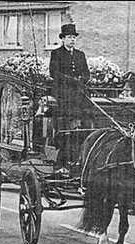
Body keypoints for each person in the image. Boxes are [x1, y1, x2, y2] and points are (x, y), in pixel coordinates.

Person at [49, 23, 91, 167]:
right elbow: (54, 73)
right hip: (62, 92)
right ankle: (65, 136)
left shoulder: (80, 54)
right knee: (67, 109)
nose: (72, 40)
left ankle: (84, 131)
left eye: (74, 37)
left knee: (88, 108)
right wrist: (71, 80)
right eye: (69, 37)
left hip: (78, 92)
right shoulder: (56, 53)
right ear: (63, 39)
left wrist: (82, 80)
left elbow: (86, 73)